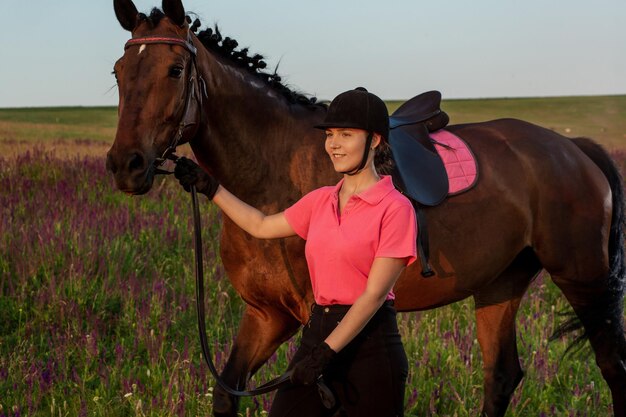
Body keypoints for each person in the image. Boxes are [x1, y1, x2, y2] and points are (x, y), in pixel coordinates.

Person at [174, 87, 417, 417]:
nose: (333, 144)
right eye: (330, 134)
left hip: (370, 347)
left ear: (374, 140)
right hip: (318, 331)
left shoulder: (396, 208)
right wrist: (210, 187)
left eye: (346, 135)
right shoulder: (320, 201)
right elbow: (260, 224)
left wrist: (326, 354)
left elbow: (373, 296)